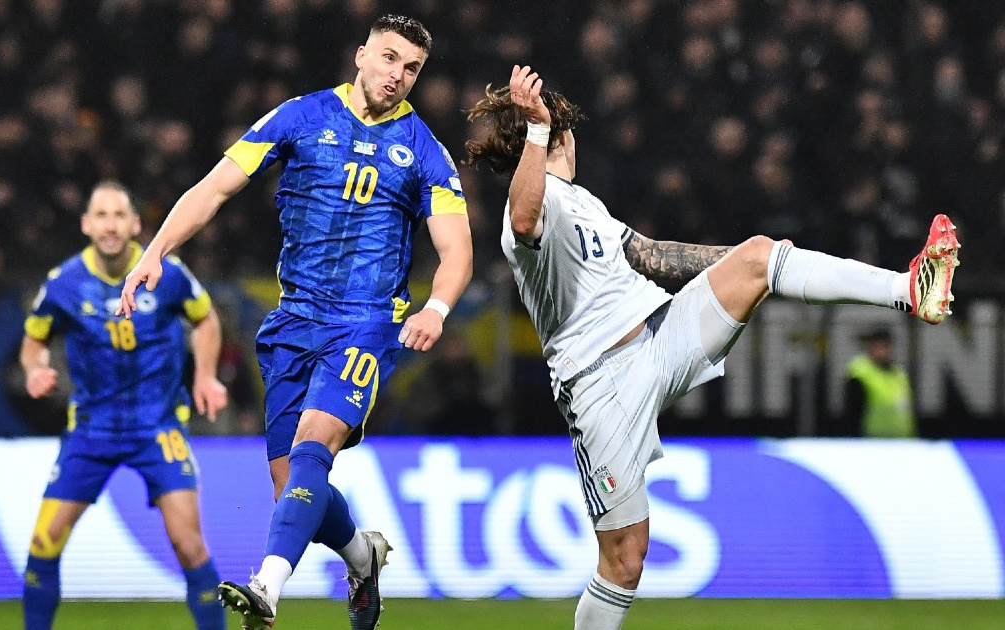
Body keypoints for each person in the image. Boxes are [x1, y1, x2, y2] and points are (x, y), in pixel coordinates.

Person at [465, 65, 960, 630]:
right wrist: (537, 130)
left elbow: (650, 255)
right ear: (562, 137)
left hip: (660, 339)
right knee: (625, 560)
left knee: (758, 256)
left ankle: (908, 289)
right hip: (600, 386)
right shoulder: (528, 207)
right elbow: (523, 219)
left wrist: (754, 262)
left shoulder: (583, 203)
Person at [117, 15, 473, 630]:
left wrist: (436, 309)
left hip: (365, 323)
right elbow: (215, 188)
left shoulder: (424, 152)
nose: (398, 75)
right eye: (389, 58)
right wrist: (156, 252)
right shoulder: (301, 116)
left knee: (314, 447)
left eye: (412, 68)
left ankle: (267, 586)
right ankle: (361, 556)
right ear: (361, 55)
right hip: (293, 321)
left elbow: (457, 250)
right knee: (293, 487)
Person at [19, 181, 229, 630]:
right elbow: (33, 340)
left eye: (119, 215)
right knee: (43, 543)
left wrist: (206, 374)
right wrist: (35, 369)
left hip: (158, 426)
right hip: (91, 430)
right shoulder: (64, 283)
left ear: (135, 224)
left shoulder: (167, 272)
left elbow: (205, 318)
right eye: (101, 215)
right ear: (86, 225)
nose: (110, 225)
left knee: (189, 545)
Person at [843, 327, 917, 437]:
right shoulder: (861, 372)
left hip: (902, 440)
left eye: (886, 346)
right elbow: (853, 413)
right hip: (873, 440)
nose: (882, 350)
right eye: (878, 346)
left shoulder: (899, 374)